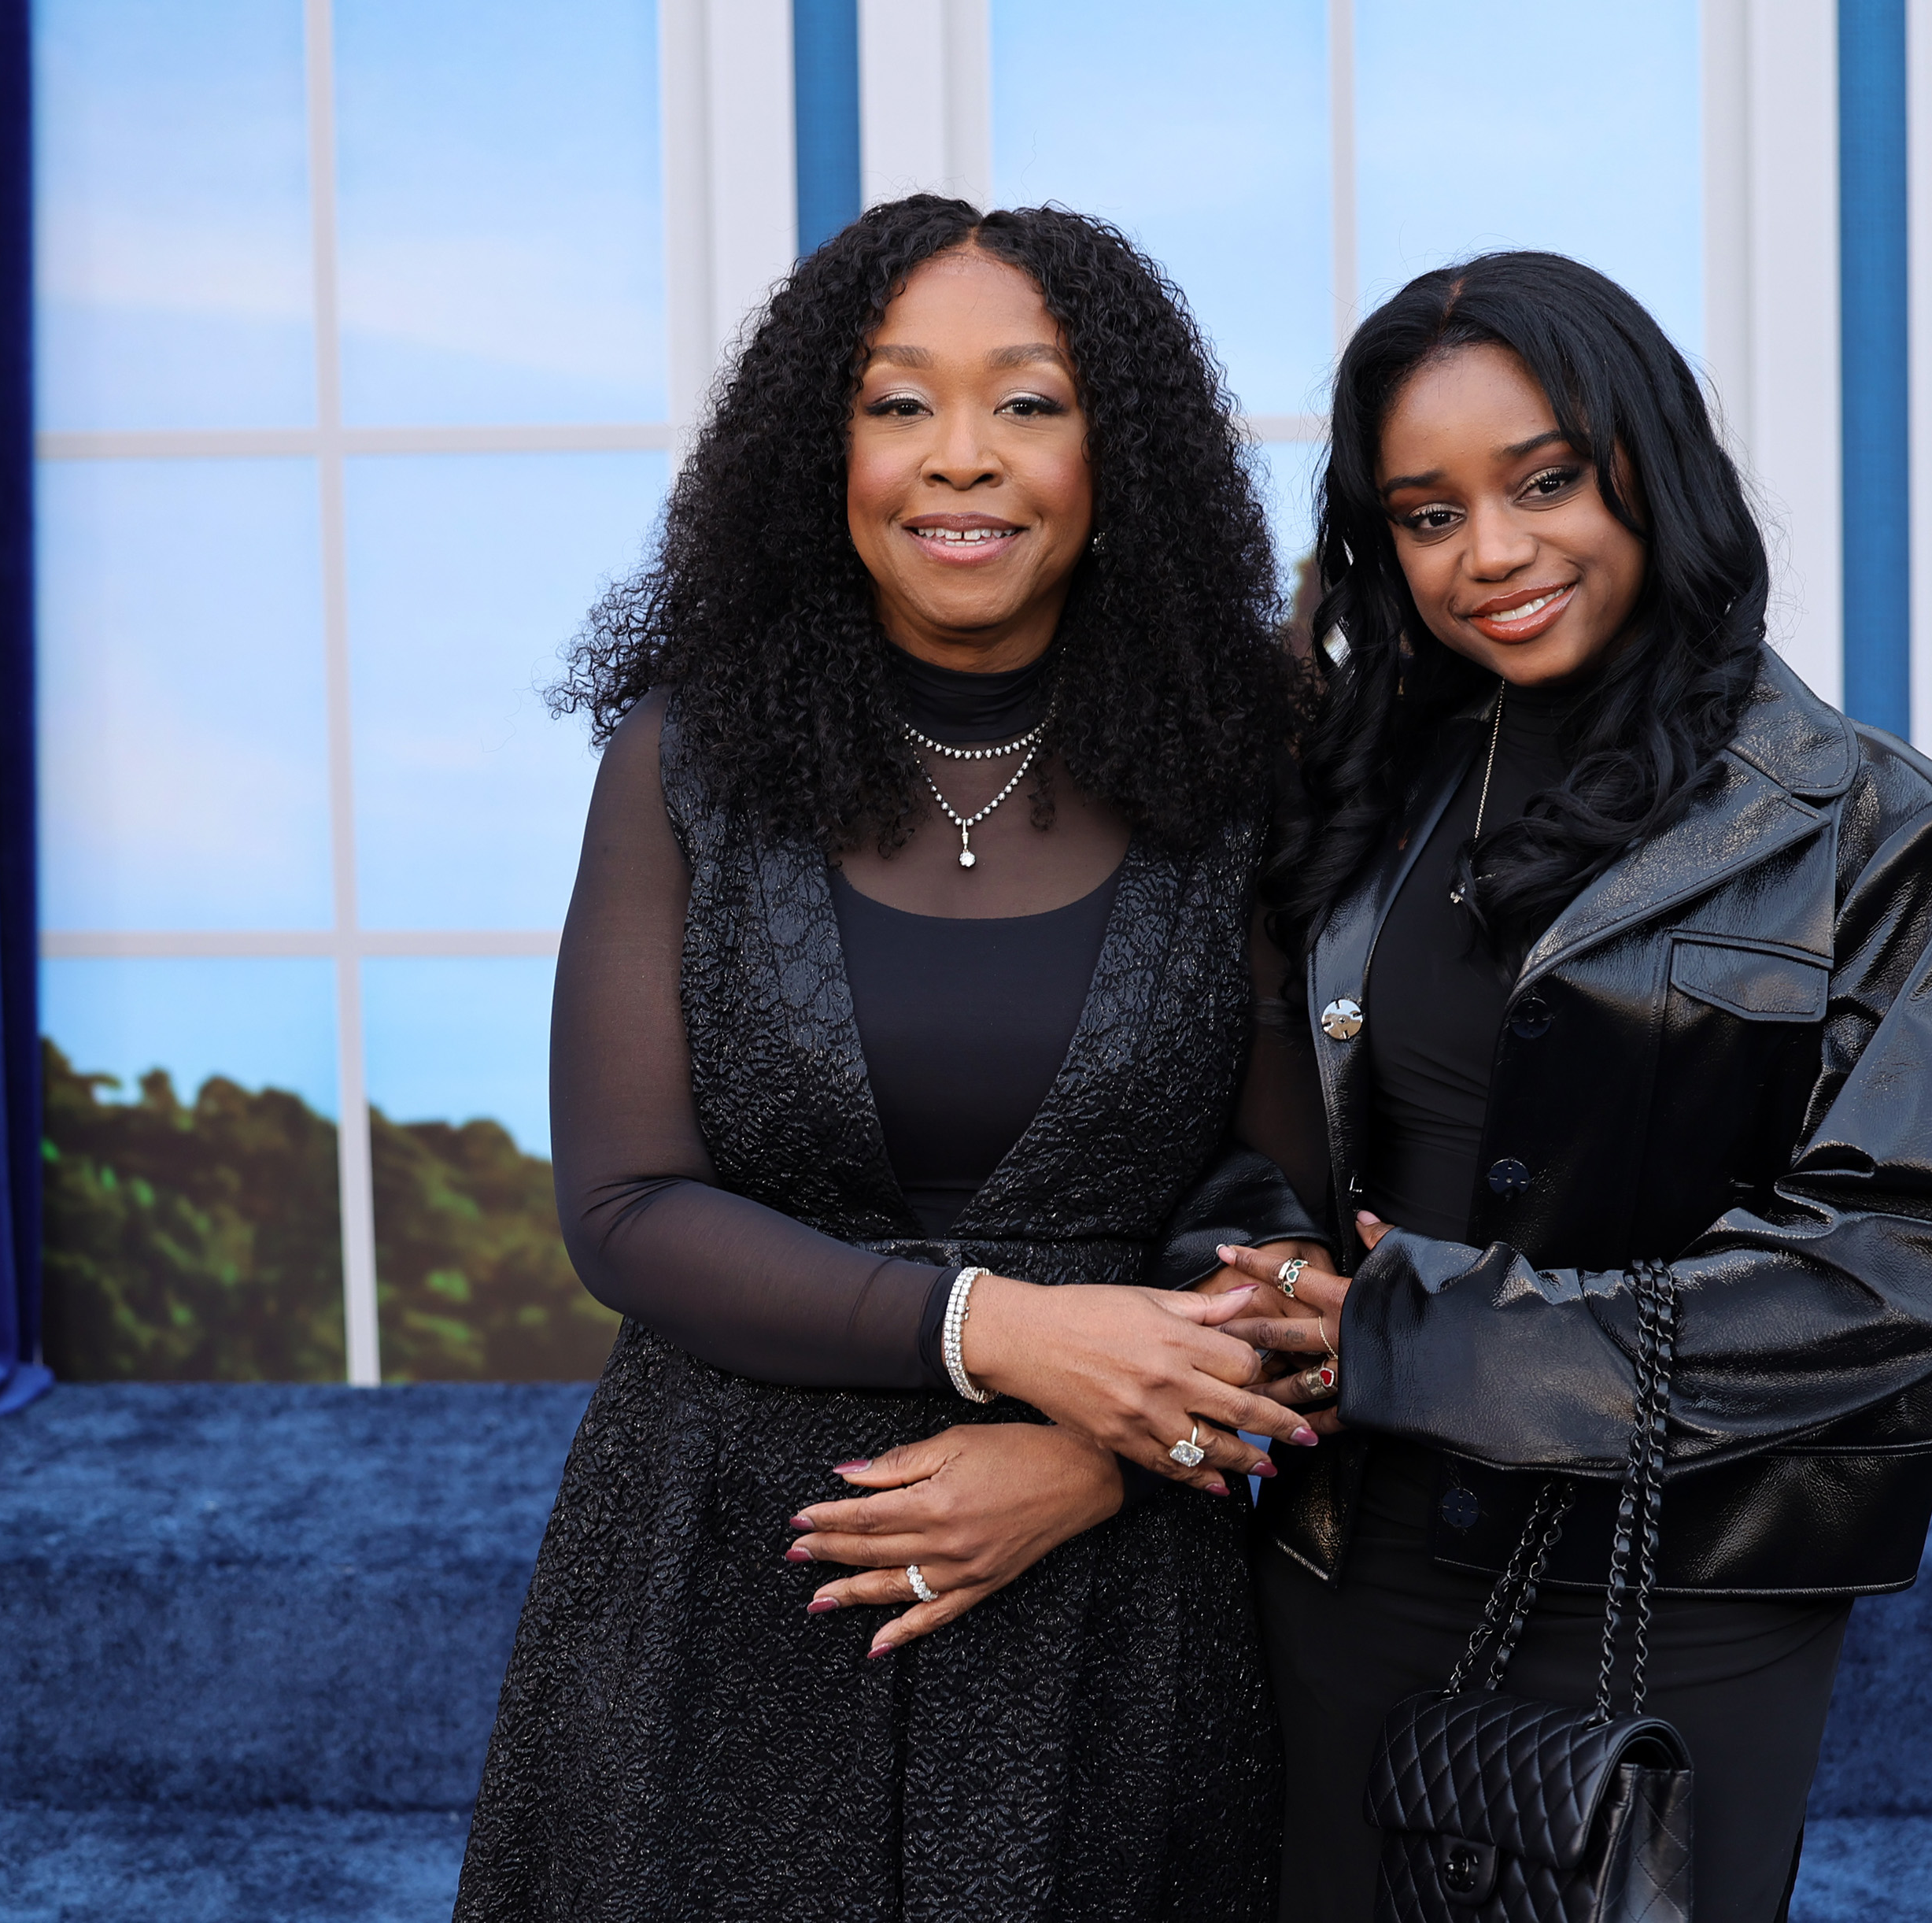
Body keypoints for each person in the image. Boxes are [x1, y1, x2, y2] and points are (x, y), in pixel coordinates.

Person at [454, 197, 1328, 1923]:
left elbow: (1295, 1203)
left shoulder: (1247, 753)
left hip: (1119, 1584)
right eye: (896, 401)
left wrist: (1105, 1448)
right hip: (733, 1562)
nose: (960, 461)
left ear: (1113, 450)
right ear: (820, 447)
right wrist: (996, 1329)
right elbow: (626, 1205)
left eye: (1027, 401)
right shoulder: (682, 756)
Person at [1222, 252, 1932, 1923]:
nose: (1491, 555)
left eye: (1543, 481)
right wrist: (1239, 1294)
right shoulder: (1360, 791)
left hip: (1680, 1585)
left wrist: (1400, 1333)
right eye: (1426, 514)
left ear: (1648, 461)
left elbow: (1883, 1277)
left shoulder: (1886, 835)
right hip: (1336, 1557)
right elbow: (1244, 1133)